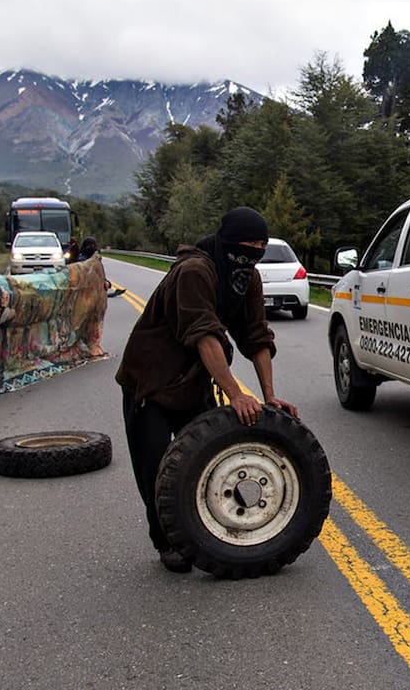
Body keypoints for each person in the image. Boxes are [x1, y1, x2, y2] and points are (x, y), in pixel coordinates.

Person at [115, 207, 299, 572]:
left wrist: (268, 394)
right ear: (228, 241)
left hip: (193, 381)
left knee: (199, 464)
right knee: (157, 471)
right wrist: (235, 393)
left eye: (261, 246)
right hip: (150, 382)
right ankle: (167, 542)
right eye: (248, 245)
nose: (254, 252)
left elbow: (257, 336)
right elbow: (204, 334)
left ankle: (199, 532)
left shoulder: (246, 278)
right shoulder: (195, 271)